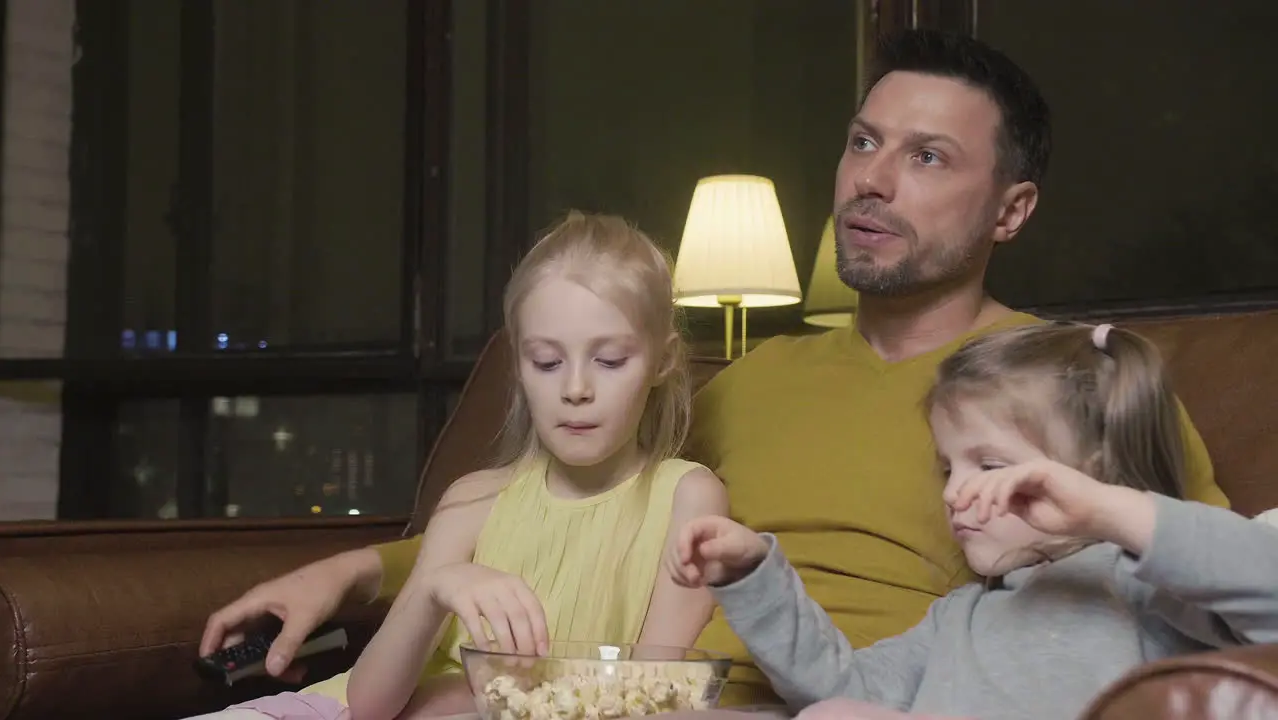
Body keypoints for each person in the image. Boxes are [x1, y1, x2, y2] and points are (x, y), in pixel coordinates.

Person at [198, 28, 1231, 709]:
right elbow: (559, 504)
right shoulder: (746, 382)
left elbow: (1205, 584)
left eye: (926, 157)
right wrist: (348, 571)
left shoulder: (1064, 384)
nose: (870, 179)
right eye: (863, 141)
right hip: (652, 689)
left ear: (1011, 209)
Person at [188, 212, 728, 720]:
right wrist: (435, 587)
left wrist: (456, 693)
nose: (576, 389)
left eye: (610, 360)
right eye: (546, 362)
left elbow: (650, 698)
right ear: (518, 367)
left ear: (663, 361)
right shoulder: (474, 500)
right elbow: (369, 703)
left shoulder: (689, 498)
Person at [669, 321, 1278, 720]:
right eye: (947, 469)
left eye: (988, 465)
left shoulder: (1146, 587)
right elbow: (841, 686)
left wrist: (1108, 509)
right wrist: (753, 575)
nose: (957, 493)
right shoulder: (961, 616)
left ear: (1093, 470)